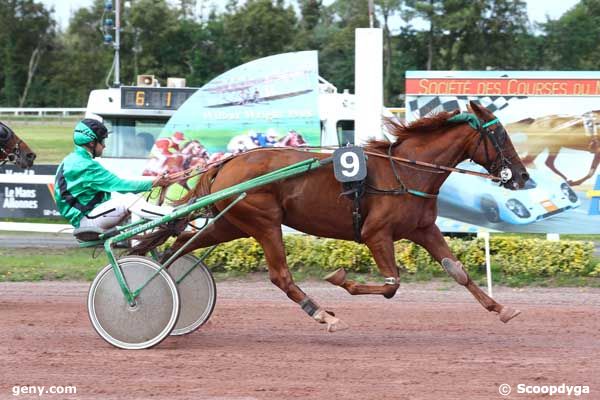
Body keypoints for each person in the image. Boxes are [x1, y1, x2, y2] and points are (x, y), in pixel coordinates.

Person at [54, 119, 175, 230]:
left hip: (87, 216)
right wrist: (154, 183)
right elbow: (120, 185)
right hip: (86, 220)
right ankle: (172, 216)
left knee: (134, 201)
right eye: (102, 141)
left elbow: (119, 182)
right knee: (129, 200)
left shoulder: (74, 160)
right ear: (92, 143)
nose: (104, 145)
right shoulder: (85, 165)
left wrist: (154, 180)